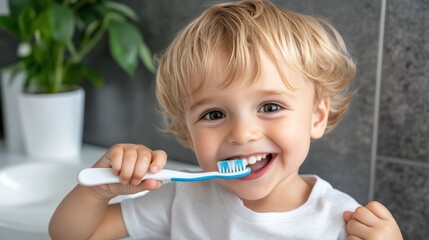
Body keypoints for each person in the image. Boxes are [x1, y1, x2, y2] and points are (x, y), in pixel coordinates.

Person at [49, 0, 403, 239]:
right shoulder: (181, 200)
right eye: (214, 114)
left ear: (316, 116)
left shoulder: (342, 222)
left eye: (270, 107)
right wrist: (98, 191)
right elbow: (73, 234)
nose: (243, 133)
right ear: (187, 133)